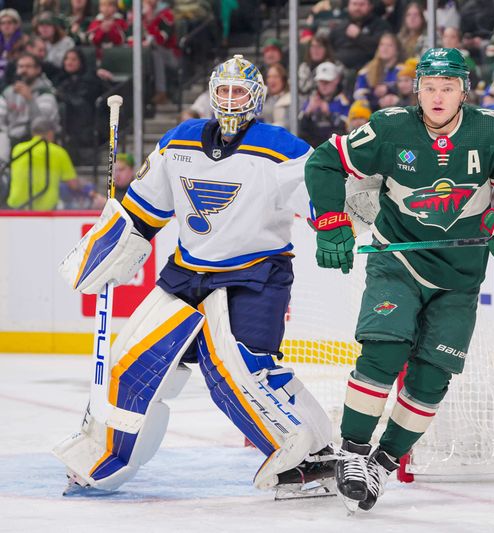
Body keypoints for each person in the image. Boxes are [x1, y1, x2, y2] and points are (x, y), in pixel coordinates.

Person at [52, 55, 335, 498]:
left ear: (255, 98)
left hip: (254, 276)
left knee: (239, 369)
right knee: (129, 360)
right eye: (221, 91)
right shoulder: (179, 142)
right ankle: (105, 454)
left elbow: (324, 192)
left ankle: (309, 457)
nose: (228, 101)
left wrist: (338, 219)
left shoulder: (280, 147)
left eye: (238, 92)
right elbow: (142, 212)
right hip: (187, 275)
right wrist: (111, 247)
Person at [304, 47, 494, 513]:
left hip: (460, 276)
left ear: (463, 91)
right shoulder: (391, 127)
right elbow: (324, 161)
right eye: (429, 87)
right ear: (417, 89)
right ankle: (352, 453)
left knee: (432, 378)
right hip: (398, 263)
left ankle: (382, 464)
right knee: (385, 349)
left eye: (447, 87)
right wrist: (332, 219)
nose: (437, 96)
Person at [6, 117, 99, 210]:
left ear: (33, 132)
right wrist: (89, 189)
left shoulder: (18, 149)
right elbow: (73, 184)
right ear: (50, 133)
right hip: (44, 209)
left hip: (17, 206)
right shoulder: (58, 152)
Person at [0, 53, 60, 163]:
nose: (23, 70)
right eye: (20, 66)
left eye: (28, 66)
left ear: (38, 70)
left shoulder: (45, 93)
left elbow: (42, 124)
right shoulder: (9, 92)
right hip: (12, 138)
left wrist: (29, 99)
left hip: (37, 138)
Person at [298, 61, 350, 147]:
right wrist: (308, 113)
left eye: (327, 82)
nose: (323, 85)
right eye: (321, 82)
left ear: (336, 80)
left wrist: (329, 113)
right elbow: (299, 127)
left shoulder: (343, 100)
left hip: (335, 147)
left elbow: (347, 127)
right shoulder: (312, 99)